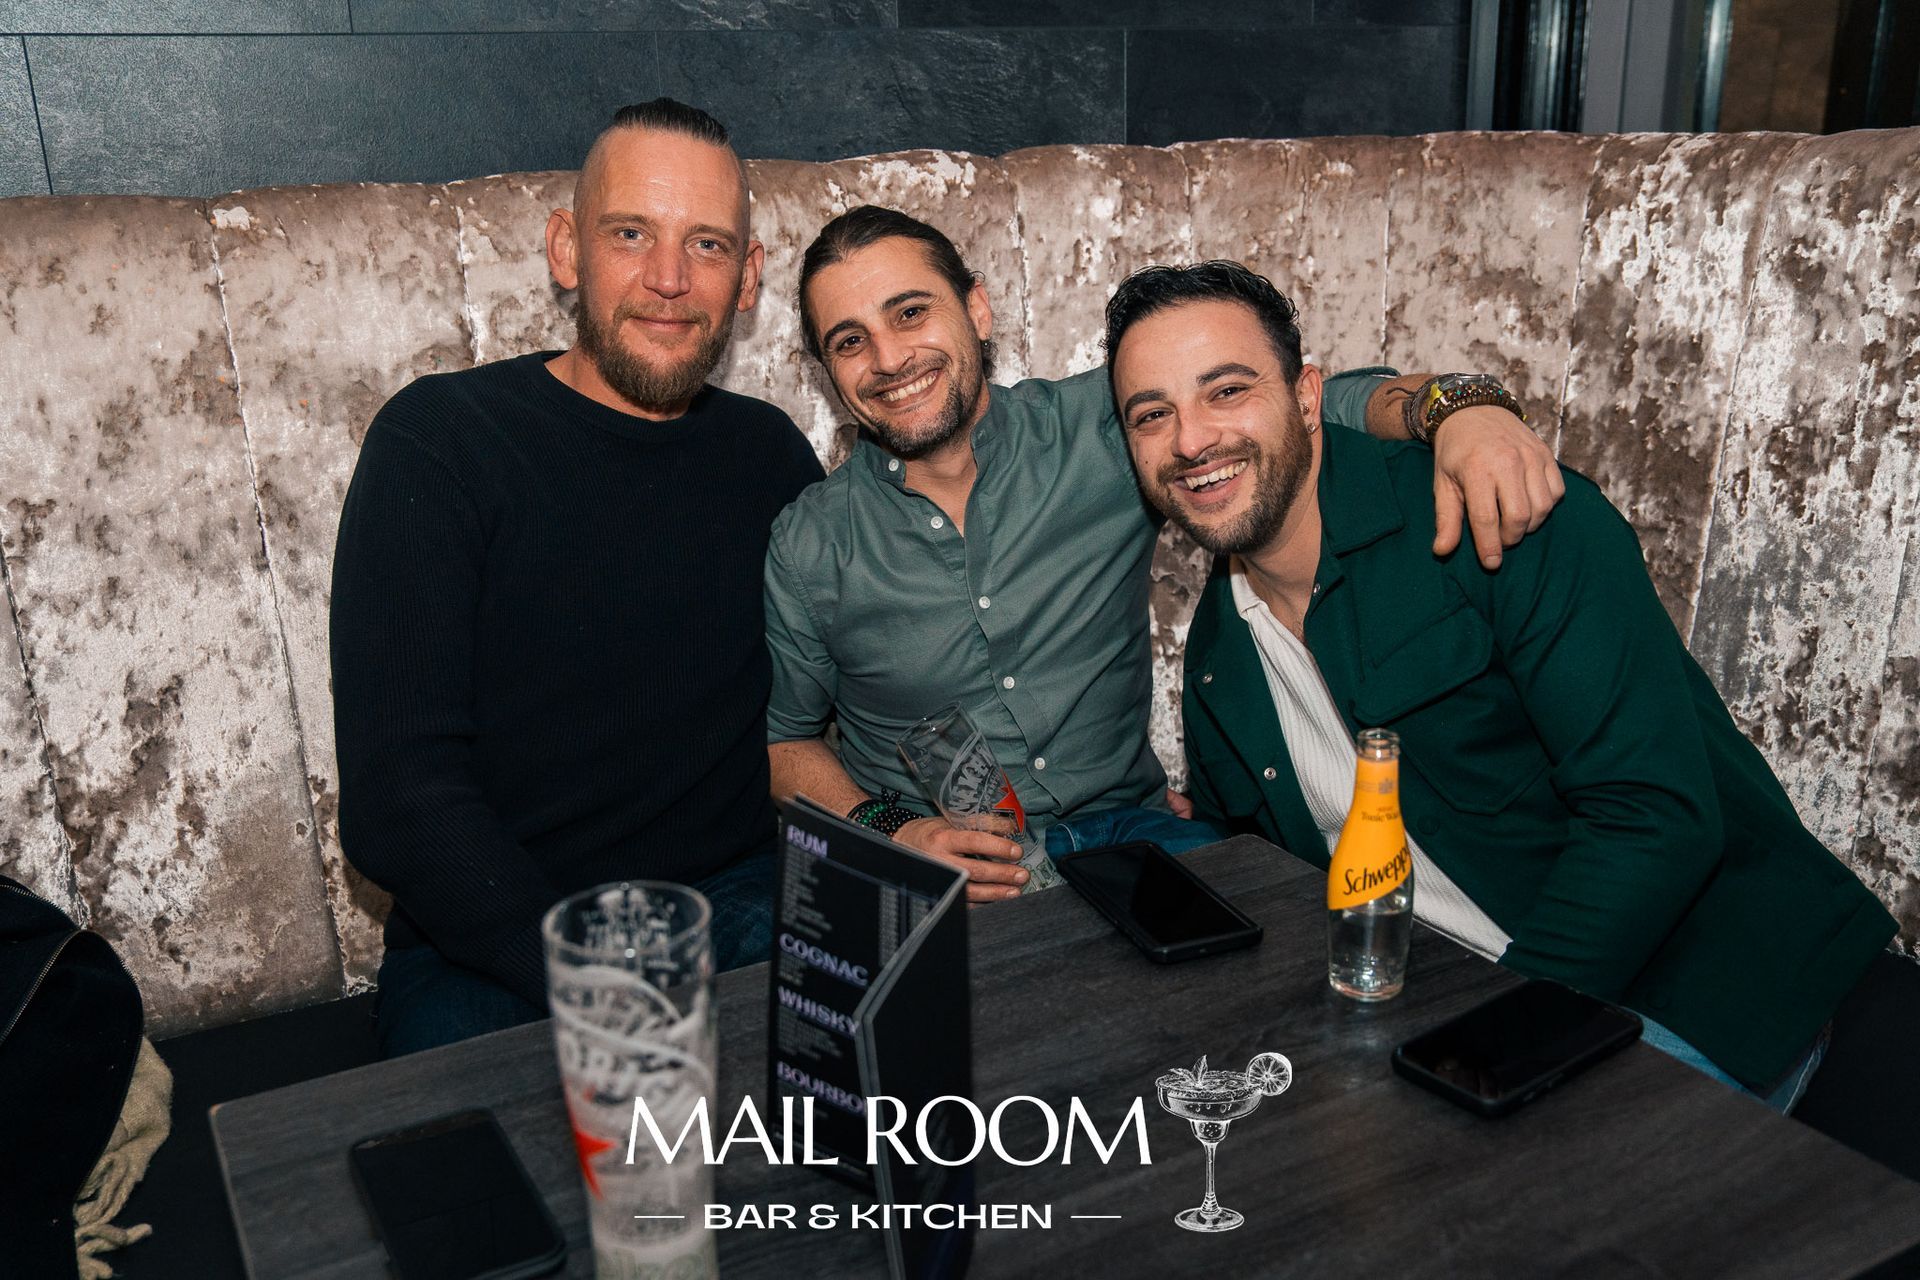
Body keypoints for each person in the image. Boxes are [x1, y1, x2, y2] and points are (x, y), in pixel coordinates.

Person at [1107, 259, 1896, 1108]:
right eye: (1154, 415)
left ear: (1306, 397)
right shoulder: (1220, 652)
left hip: (1702, 1004)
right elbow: (1272, 880)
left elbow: (1654, 815)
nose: (1192, 441)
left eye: (1226, 391)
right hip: (1448, 1018)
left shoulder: (1489, 511)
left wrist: (1483, 1046)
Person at [765, 207, 1562, 902]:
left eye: (911, 312)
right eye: (849, 341)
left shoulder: (1113, 429)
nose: (890, 358)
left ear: (977, 308)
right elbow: (785, 743)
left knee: (1275, 1023)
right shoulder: (808, 544)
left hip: (1137, 838)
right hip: (941, 876)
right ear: (829, 371)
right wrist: (892, 832)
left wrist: (1458, 409)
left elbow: (1309, 404)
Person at [330, 100, 823, 1057]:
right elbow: (397, 799)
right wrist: (593, 982)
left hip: (741, 909)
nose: (670, 280)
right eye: (630, 233)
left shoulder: (768, 456)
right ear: (566, 251)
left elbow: (864, 674)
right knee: (475, 1195)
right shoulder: (441, 442)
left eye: (708, 245)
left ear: (750, 276)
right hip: (493, 944)